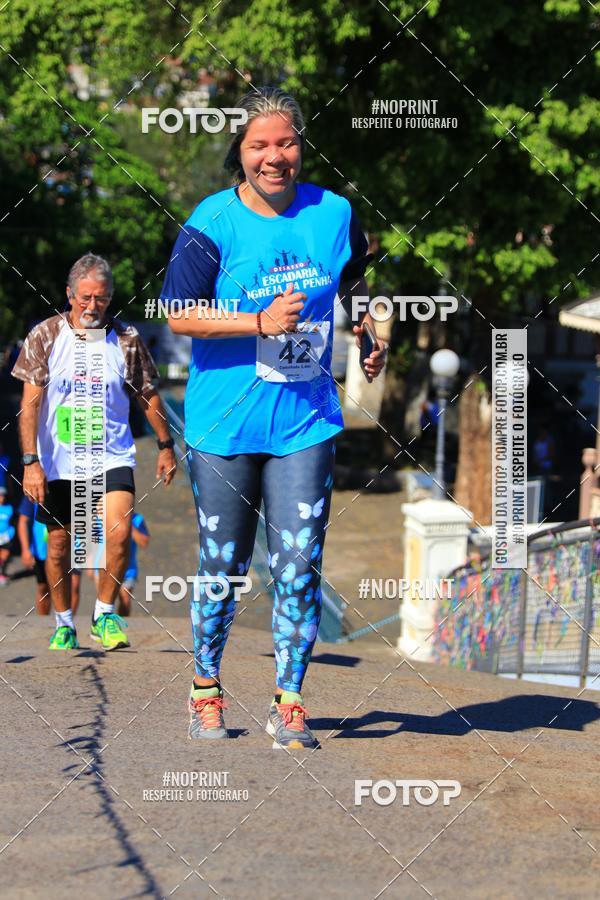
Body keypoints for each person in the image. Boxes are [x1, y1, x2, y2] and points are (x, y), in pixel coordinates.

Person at [162, 86, 386, 747]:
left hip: (304, 420)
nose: (274, 156)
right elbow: (178, 313)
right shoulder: (212, 222)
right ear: (240, 152)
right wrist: (255, 321)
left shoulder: (333, 212)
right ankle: (206, 689)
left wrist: (366, 328)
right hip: (224, 423)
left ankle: (289, 699)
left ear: (301, 146)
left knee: (298, 561)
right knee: (224, 562)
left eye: (285, 142)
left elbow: (353, 274)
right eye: (260, 144)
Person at [12, 252, 177, 651]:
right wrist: (31, 462)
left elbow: (147, 394)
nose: (91, 307)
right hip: (58, 463)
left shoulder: (126, 339)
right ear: (69, 294)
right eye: (84, 298)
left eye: (100, 299)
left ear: (109, 298)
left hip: (111, 455)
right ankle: (64, 621)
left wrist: (166, 444)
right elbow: (29, 405)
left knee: (119, 533)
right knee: (58, 545)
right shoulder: (45, 336)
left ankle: (104, 614)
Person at [93, 511, 149, 616]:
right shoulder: (100, 516)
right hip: (103, 565)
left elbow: (144, 542)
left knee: (125, 601)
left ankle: (121, 626)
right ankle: (102, 624)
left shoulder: (137, 519)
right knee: (105, 599)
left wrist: (127, 525)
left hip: (128, 569)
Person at [0, 487, 15, 586]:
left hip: (6, 536)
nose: (1, 498)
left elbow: (14, 521)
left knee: (4, 557)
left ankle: (2, 574)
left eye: (2, 495)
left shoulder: (9, 508)